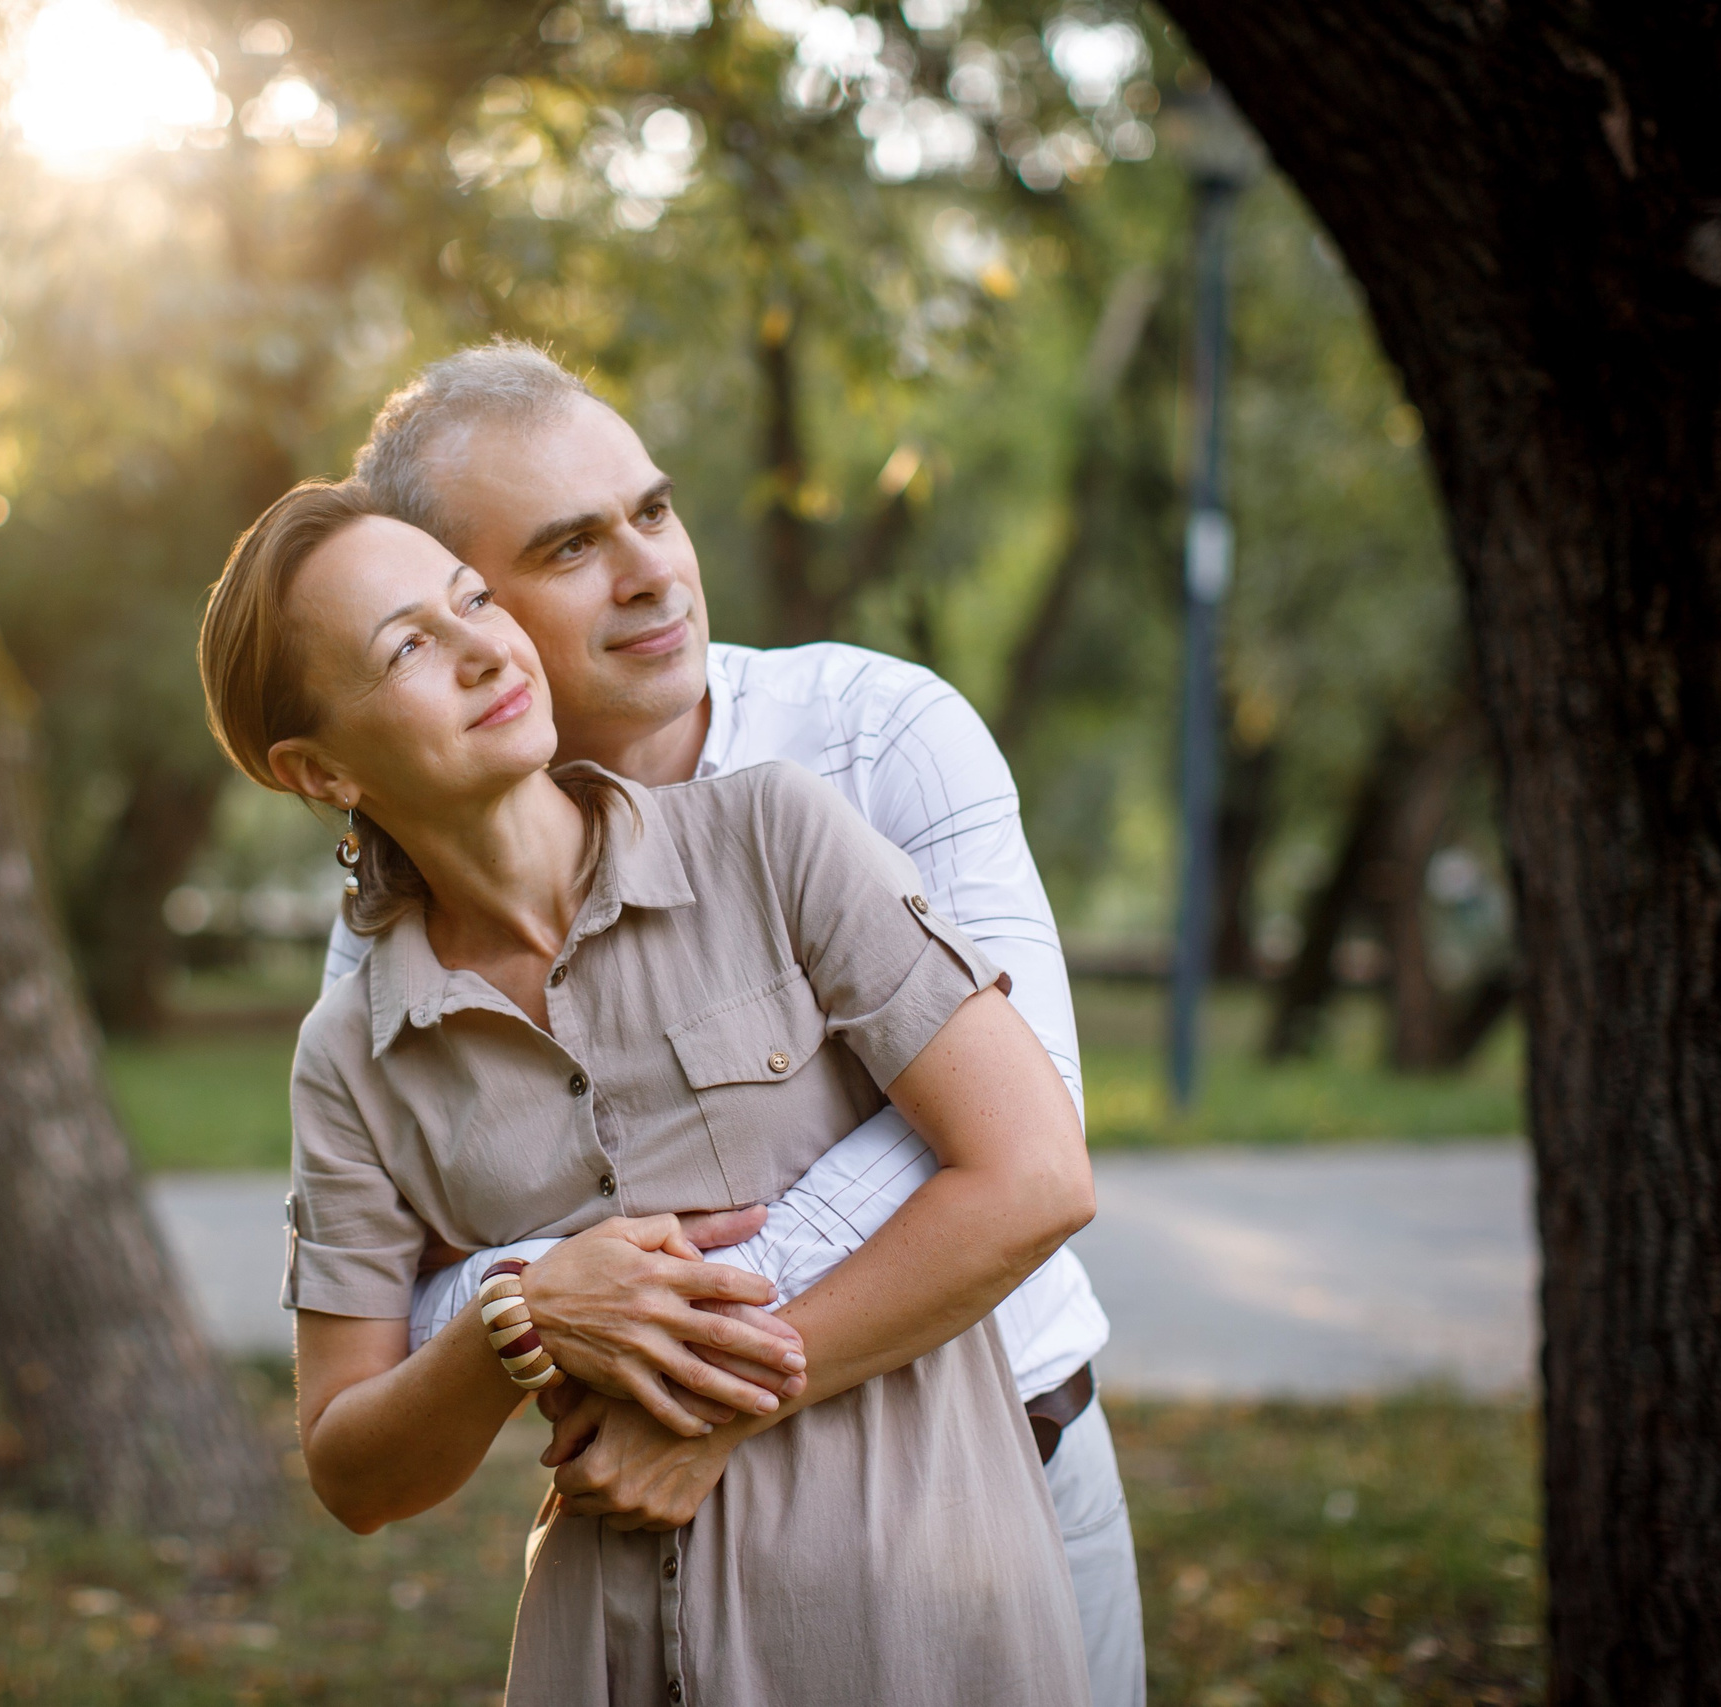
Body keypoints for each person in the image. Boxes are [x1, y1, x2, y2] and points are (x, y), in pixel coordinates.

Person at [330, 341, 1147, 1705]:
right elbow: (397, 1329)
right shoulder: (396, 923)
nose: (651, 569)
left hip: (994, 1486)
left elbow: (1029, 1135)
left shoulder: (874, 736)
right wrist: (537, 1296)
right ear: (453, 607)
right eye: (572, 544)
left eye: (653, 510)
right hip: (646, 1564)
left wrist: (699, 1379)